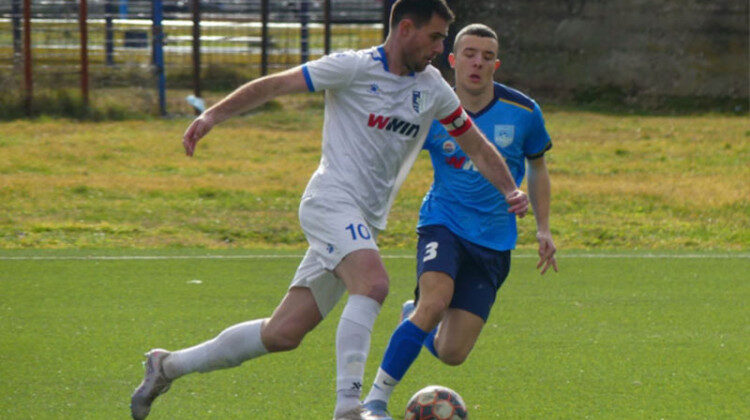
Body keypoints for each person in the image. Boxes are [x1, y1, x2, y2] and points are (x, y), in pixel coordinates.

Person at [130, 2, 529, 419]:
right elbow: (276, 85)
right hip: (329, 202)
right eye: (435, 37)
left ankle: (168, 365)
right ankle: (349, 409)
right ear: (406, 29)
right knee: (373, 284)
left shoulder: (431, 87)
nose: (439, 48)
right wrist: (213, 114)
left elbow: (476, 145)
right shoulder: (352, 67)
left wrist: (509, 190)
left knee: (283, 333)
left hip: (363, 223)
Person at [361, 23, 558, 419]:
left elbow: (537, 168)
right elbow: (390, 155)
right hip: (443, 222)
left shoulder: (524, 112)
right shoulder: (432, 109)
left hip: (494, 240)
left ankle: (412, 317)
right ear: (452, 60)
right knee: (434, 303)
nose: (477, 63)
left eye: (487, 57)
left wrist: (542, 227)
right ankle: (375, 402)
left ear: (496, 65)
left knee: (452, 353)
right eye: (469, 54)